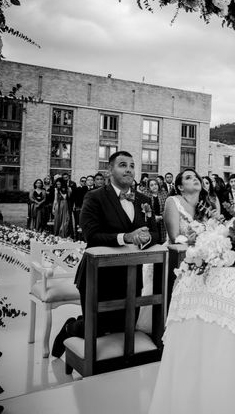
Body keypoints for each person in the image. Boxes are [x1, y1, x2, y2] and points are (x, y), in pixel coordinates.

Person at [51, 151, 158, 358]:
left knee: (123, 325)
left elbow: (155, 232)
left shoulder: (144, 200)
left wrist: (145, 239)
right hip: (99, 275)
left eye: (132, 165)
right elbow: (92, 234)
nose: (129, 169)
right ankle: (70, 328)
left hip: (131, 276)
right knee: (98, 327)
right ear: (110, 170)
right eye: (122, 165)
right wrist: (125, 237)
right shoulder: (94, 197)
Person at [163, 169, 215, 243]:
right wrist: (189, 241)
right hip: (179, 252)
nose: (195, 178)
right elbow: (174, 238)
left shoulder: (204, 205)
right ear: (181, 187)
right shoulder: (173, 201)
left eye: (196, 177)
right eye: (188, 177)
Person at [147, 178, 167, 244]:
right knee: (153, 241)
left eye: (155, 184)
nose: (154, 186)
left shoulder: (164, 194)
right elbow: (144, 210)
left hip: (163, 221)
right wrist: (153, 217)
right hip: (151, 222)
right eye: (151, 185)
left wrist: (162, 216)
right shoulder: (146, 196)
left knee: (162, 241)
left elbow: (168, 208)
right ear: (149, 187)